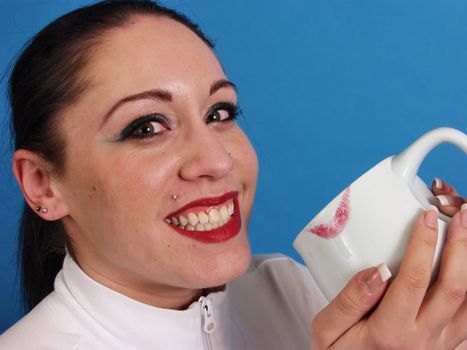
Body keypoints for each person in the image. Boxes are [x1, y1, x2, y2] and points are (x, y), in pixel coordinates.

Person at [0, 1, 465, 349]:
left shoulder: (290, 288)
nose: (217, 161)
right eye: (146, 126)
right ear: (43, 183)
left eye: (219, 112)